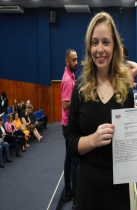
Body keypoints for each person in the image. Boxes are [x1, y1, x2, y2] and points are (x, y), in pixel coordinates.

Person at [66, 12, 137, 210]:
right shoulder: (80, 88)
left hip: (118, 188)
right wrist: (93, 140)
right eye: (95, 42)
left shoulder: (125, 89)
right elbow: (71, 140)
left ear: (114, 45)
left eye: (105, 42)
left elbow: (127, 144)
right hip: (88, 186)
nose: (100, 49)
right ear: (89, 47)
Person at [61, 48, 79, 208]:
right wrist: (80, 102)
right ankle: (75, 198)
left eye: (77, 59)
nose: (77, 62)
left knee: (68, 159)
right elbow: (65, 104)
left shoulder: (71, 77)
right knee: (74, 161)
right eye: (73, 60)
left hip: (67, 124)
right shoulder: (67, 80)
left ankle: (67, 191)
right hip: (68, 125)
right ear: (67, 61)